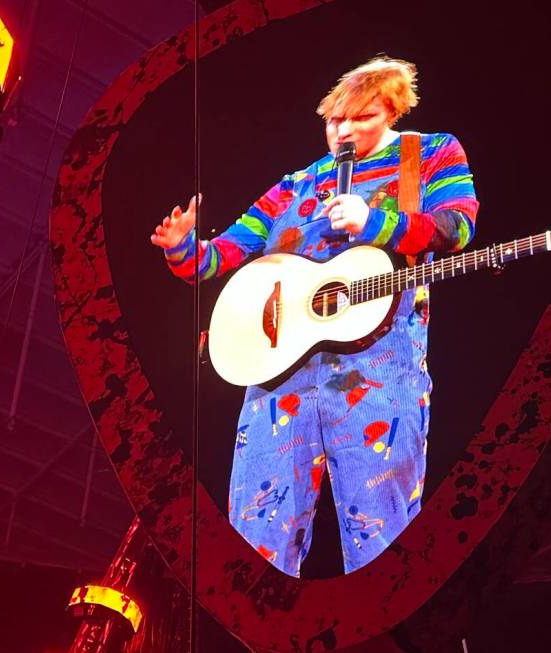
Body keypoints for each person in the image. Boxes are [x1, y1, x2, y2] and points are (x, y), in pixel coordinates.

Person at [150, 57, 478, 576]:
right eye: (334, 121)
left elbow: (456, 228)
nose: (344, 131)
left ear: (391, 109)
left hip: (379, 369)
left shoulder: (428, 154)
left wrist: (376, 221)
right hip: (280, 372)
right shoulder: (298, 184)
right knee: (255, 538)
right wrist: (182, 248)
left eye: (361, 117)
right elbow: (224, 255)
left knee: (382, 538)